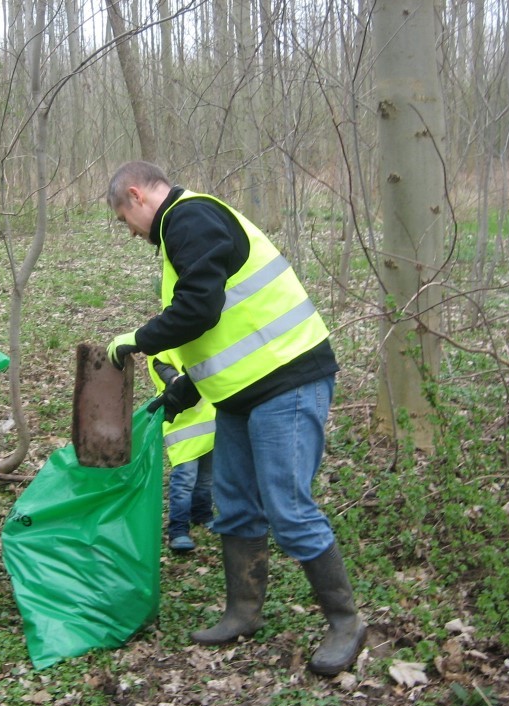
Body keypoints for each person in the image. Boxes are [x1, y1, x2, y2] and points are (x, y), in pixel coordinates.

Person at [105, 160, 366, 676]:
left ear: (135, 196)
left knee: (288, 507)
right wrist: (185, 388)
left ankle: (346, 621)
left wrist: (135, 340)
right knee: (238, 506)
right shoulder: (184, 229)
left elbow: (198, 309)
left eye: (122, 219)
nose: (129, 232)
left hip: (287, 381)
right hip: (239, 395)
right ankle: (242, 611)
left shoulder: (190, 217)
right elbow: (222, 329)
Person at [148, 350, 216, 552]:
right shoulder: (161, 351)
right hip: (182, 427)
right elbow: (170, 377)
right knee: (185, 480)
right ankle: (178, 530)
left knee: (206, 478)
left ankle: (202, 515)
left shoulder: (200, 338)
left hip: (210, 425)